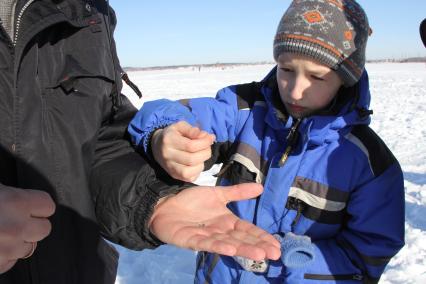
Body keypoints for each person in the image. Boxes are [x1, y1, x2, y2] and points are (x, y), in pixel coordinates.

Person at [0, 1, 282, 283]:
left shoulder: (88, 8)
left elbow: (97, 140)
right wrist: (163, 131)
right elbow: (189, 112)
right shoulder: (248, 104)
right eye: (288, 70)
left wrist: (153, 198)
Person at [129, 0, 406, 282]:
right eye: (286, 69)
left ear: (346, 79)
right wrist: (164, 133)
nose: (296, 91)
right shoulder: (245, 110)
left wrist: (291, 259)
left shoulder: (369, 163)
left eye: (317, 77)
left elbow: (367, 255)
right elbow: (178, 114)